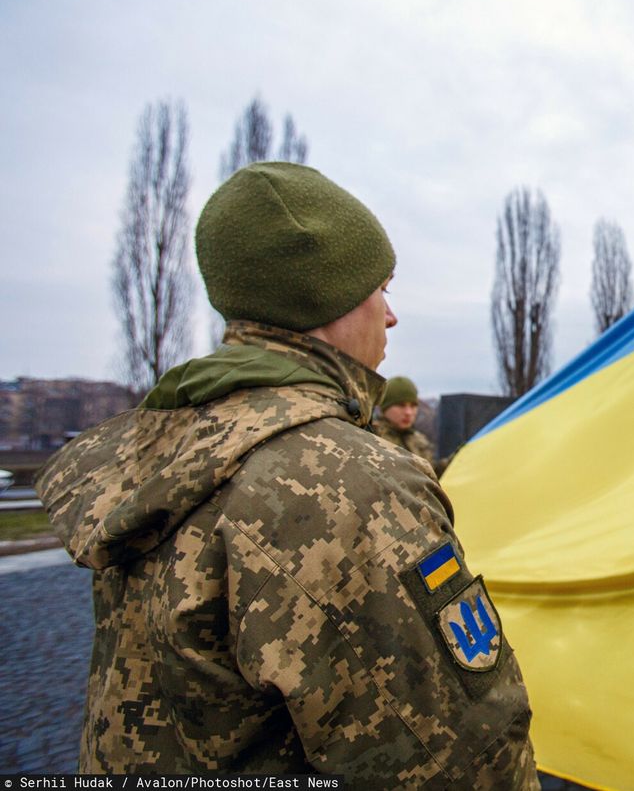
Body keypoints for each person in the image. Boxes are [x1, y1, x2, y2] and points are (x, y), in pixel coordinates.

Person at [36, 162, 537, 787]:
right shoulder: (353, 485)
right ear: (328, 298)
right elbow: (458, 758)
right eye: (382, 288)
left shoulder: (164, 446)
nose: (391, 315)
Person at [374, 376, 438, 472]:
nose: (408, 412)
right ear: (385, 407)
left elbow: (433, 473)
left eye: (413, 406)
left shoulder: (419, 439)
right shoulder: (372, 438)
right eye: (401, 405)